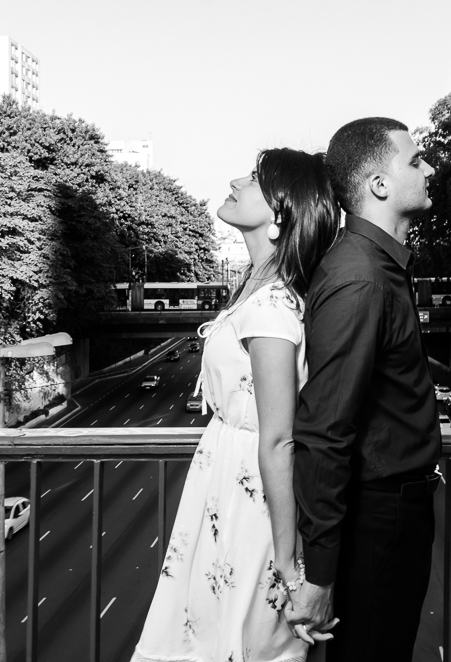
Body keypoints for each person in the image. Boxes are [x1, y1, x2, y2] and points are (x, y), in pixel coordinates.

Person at [131, 148, 340, 662]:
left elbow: (276, 438)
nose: (234, 180)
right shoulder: (256, 288)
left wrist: (291, 567)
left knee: (239, 642)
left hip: (252, 501)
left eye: (254, 178)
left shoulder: (271, 307)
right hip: (228, 485)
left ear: (280, 216)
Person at [287, 118, 441, 661]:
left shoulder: (377, 268)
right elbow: (324, 429)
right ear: (378, 184)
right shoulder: (362, 278)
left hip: (392, 511)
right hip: (380, 518)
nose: (429, 169)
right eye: (416, 160)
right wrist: (321, 572)